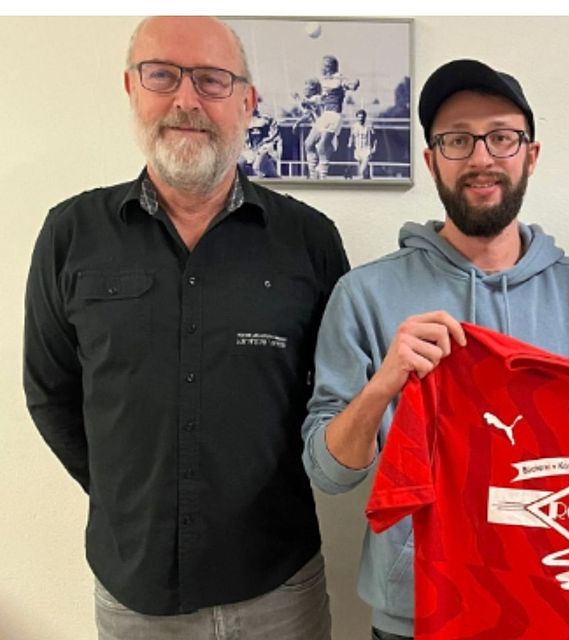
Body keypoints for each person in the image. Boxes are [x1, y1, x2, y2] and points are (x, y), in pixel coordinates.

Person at [23, 16, 349, 640]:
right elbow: (50, 392)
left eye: (211, 80)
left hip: (279, 584)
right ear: (130, 88)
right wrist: (127, 492)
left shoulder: (309, 240)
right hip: (134, 590)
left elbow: (331, 398)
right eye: (162, 75)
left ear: (248, 101)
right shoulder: (70, 234)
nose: (186, 99)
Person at [301, 58, 569, 640]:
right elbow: (328, 474)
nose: (480, 158)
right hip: (415, 614)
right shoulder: (364, 295)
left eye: (501, 137)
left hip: (550, 603)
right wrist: (384, 385)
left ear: (531, 154)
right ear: (431, 160)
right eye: (456, 140)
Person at [303, 55, 359, 179]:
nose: (321, 67)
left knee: (322, 146)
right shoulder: (323, 81)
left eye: (323, 65)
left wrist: (354, 84)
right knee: (308, 144)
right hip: (324, 116)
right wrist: (308, 101)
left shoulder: (338, 78)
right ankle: (313, 175)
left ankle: (323, 176)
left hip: (334, 116)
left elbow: (350, 85)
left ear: (329, 67)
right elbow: (320, 98)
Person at [348, 108, 377, 179]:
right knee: (364, 171)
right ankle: (367, 179)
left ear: (365, 117)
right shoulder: (354, 126)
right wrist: (350, 144)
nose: (361, 119)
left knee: (361, 169)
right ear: (357, 117)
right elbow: (351, 136)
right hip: (358, 149)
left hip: (366, 149)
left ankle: (363, 177)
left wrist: (374, 147)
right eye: (359, 117)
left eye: (362, 117)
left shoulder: (369, 126)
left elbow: (375, 138)